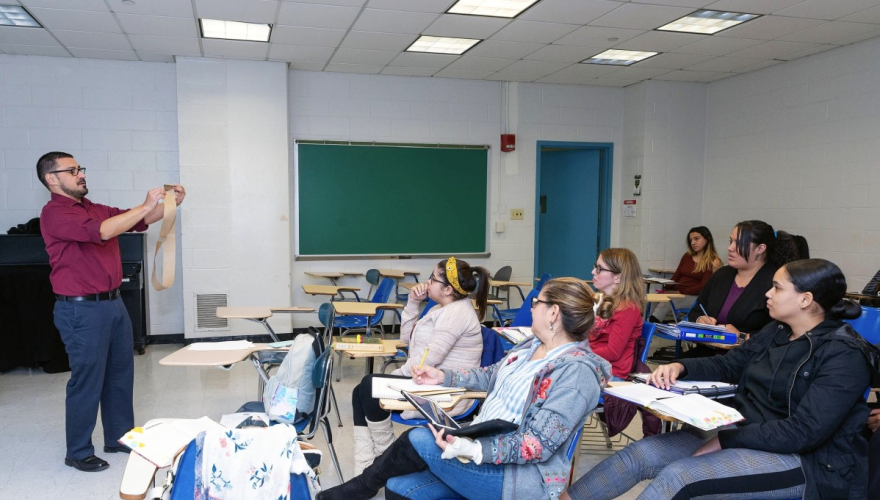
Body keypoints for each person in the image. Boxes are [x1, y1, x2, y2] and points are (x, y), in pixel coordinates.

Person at [563, 258, 880, 500]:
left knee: (680, 476)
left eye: (777, 288)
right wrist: (681, 368)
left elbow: (803, 432)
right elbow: (731, 365)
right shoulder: (777, 331)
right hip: (744, 433)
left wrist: (726, 439)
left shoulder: (844, 354)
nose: (767, 294)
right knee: (640, 454)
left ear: (806, 300)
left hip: (805, 461)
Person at [319, 278, 614, 500]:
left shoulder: (576, 373)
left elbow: (535, 445)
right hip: (483, 445)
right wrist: (443, 376)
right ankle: (361, 489)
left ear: (553, 313)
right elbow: (490, 376)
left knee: (420, 438)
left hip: (517, 477)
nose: (532, 306)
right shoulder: (532, 345)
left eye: (537, 302)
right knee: (399, 487)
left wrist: (473, 449)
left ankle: (358, 489)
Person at [37, 151, 185, 472]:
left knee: (120, 374)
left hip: (113, 304)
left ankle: (119, 437)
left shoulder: (93, 208)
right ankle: (77, 451)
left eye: (81, 169)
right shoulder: (54, 214)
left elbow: (139, 220)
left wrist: (171, 204)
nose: (81, 174)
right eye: (72, 170)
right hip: (81, 311)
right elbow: (103, 231)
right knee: (87, 380)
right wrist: (145, 205)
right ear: (52, 178)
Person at [349, 257, 489, 475]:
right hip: (427, 380)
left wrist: (393, 376)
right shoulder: (439, 308)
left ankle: (386, 459)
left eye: (432, 278)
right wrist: (413, 303)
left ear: (448, 289)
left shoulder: (456, 313)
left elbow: (429, 359)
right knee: (360, 391)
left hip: (445, 390)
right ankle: (366, 464)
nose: (427, 282)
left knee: (369, 385)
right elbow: (407, 340)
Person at [681, 220, 800, 357]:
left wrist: (742, 337)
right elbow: (696, 310)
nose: (730, 248)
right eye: (730, 241)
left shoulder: (775, 283)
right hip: (710, 353)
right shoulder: (721, 275)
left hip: (751, 358)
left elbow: (784, 331)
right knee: (669, 371)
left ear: (760, 249)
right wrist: (700, 319)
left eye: (738, 244)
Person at [589, 248, 660, 437]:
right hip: (597, 366)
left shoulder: (627, 309)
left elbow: (613, 352)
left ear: (618, 278)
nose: (593, 272)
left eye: (599, 268)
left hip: (613, 375)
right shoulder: (602, 301)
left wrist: (578, 349)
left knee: (558, 386)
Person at [653, 226, 722, 322]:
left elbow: (703, 287)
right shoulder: (687, 256)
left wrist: (680, 292)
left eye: (696, 239)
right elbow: (676, 277)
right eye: (691, 240)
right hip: (680, 293)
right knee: (653, 300)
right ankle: (647, 327)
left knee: (667, 302)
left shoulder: (713, 261)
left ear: (707, 239)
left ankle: (652, 327)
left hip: (695, 297)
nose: (693, 242)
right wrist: (667, 287)